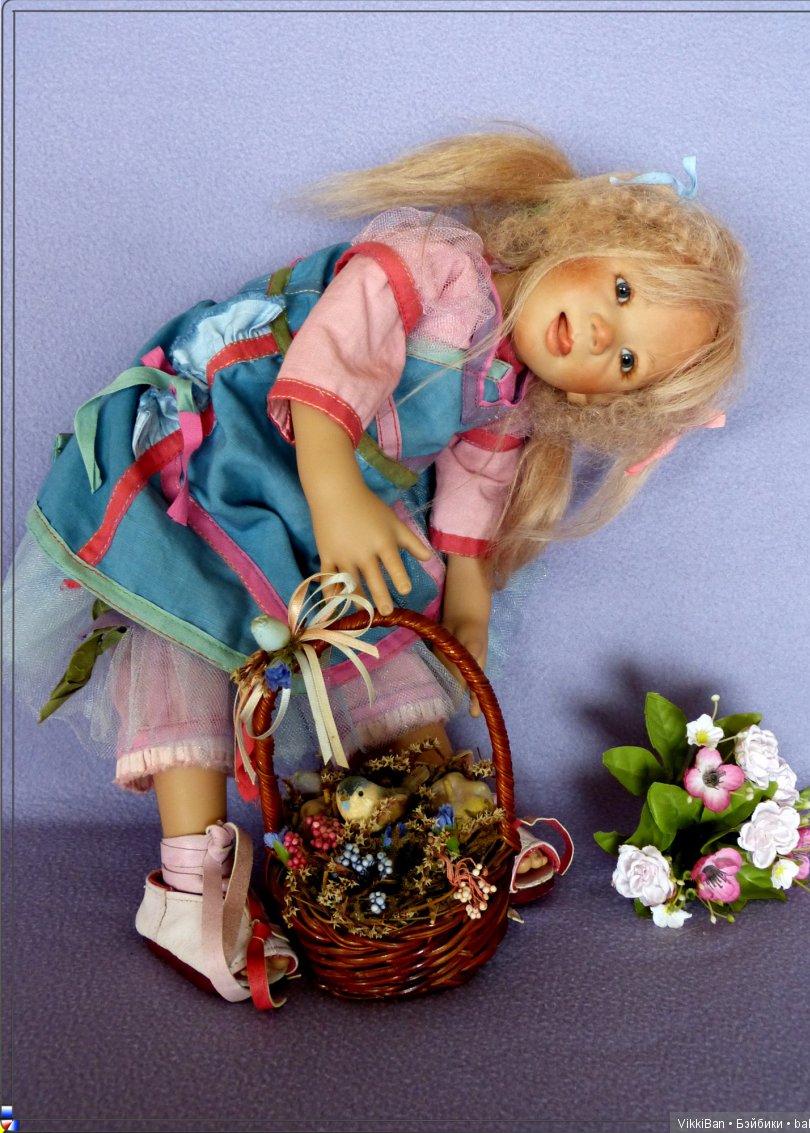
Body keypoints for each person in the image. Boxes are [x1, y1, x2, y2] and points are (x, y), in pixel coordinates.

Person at [6, 130, 745, 1007]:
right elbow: (331, 354)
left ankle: (443, 829)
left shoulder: (509, 391)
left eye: (624, 359)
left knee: (388, 636)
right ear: (582, 235)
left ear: (597, 398)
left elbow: (478, 477)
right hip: (230, 455)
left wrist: (466, 588)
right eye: (619, 290)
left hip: (331, 500)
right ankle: (187, 884)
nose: (598, 331)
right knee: (193, 630)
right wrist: (332, 491)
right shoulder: (436, 260)